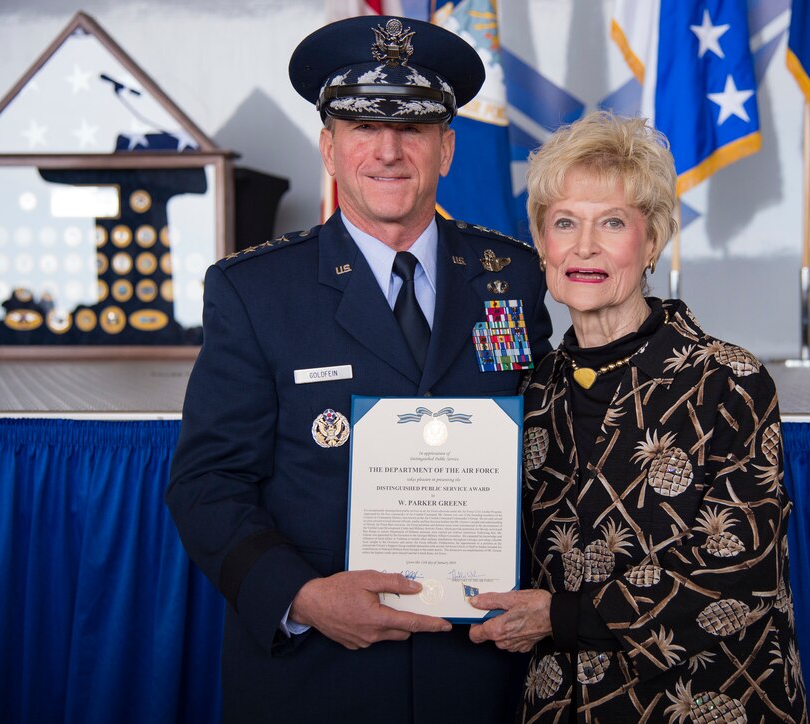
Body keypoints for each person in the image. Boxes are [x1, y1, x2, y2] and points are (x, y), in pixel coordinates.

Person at [166, 15, 552, 723]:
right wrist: (304, 599)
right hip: (316, 677)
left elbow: (549, 460)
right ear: (329, 148)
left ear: (447, 148)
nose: (388, 151)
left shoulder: (515, 276)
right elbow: (206, 482)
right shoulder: (254, 291)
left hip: (478, 673)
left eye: (412, 129)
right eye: (362, 129)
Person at [467, 111, 808, 723]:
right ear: (542, 243)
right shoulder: (532, 390)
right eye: (565, 222)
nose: (585, 247)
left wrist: (560, 617)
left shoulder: (727, 381)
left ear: (652, 242)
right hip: (563, 704)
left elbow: (736, 572)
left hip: (703, 700)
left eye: (613, 223)